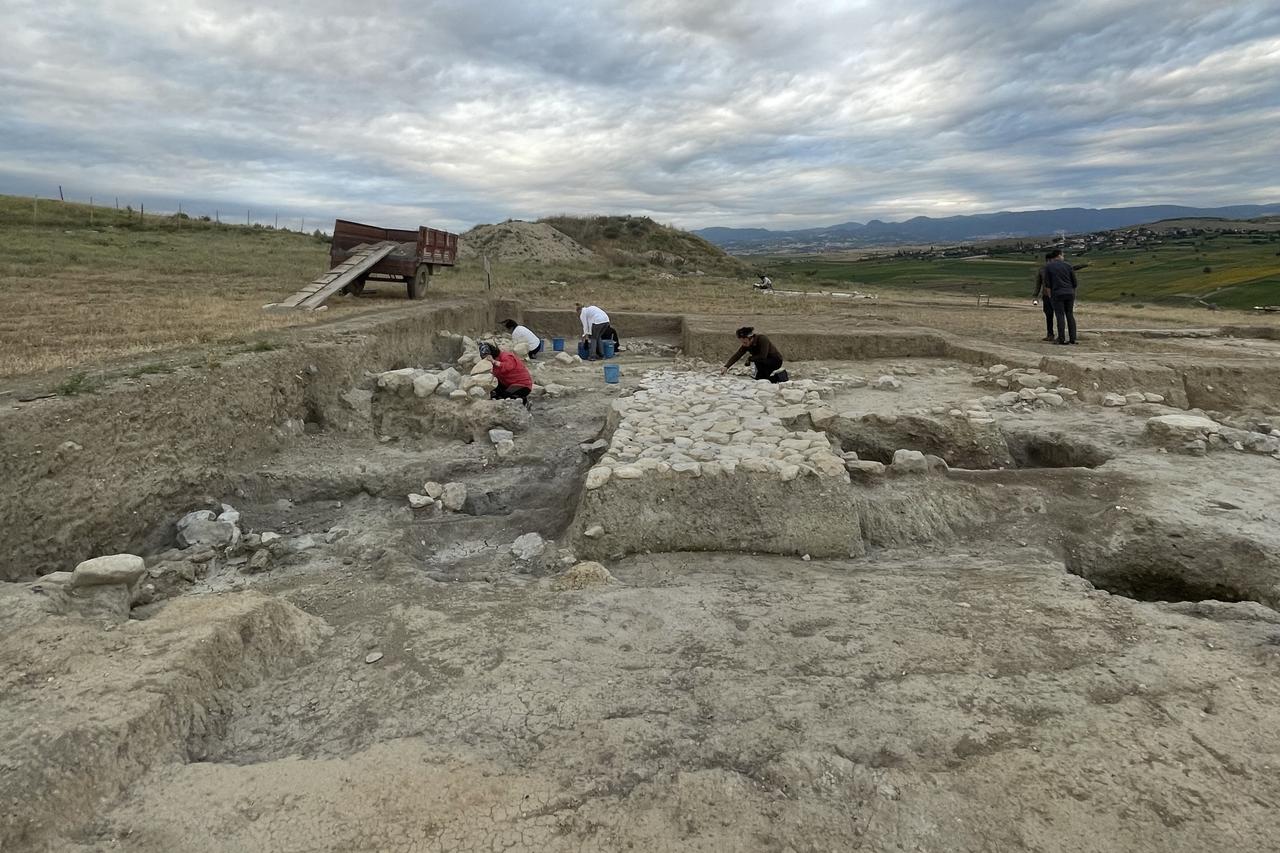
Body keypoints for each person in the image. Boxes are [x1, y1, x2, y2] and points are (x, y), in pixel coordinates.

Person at [1040, 249, 1080, 345]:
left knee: (1060, 315)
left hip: (1057, 293)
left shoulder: (1048, 267)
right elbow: (1075, 282)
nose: (1063, 257)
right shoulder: (1068, 265)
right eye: (1063, 255)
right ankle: (1073, 338)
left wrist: (1050, 296)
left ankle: (1061, 338)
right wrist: (1072, 292)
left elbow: (1047, 284)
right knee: (1070, 314)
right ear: (1059, 255)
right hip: (1069, 293)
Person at [721, 326, 788, 383]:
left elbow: (763, 356)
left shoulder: (762, 339)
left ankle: (781, 375)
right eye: (742, 342)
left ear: (751, 338)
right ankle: (774, 377)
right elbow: (738, 354)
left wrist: (750, 359)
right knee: (760, 380)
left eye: (745, 342)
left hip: (775, 361)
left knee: (763, 379)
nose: (743, 344)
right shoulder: (747, 344)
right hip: (762, 362)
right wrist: (726, 366)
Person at [479, 342, 533, 407]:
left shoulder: (506, 356)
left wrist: (493, 361)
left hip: (522, 385)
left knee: (504, 397)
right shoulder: (493, 363)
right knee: (494, 390)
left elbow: (508, 367)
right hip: (508, 384)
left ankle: (523, 402)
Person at [1031, 252, 1056, 341]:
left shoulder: (1056, 268)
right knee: (1049, 315)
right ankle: (1050, 334)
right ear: (1049, 260)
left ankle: (1056, 335)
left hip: (1056, 295)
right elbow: (1038, 284)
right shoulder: (1042, 270)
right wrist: (1035, 296)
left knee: (1057, 315)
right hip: (1047, 295)